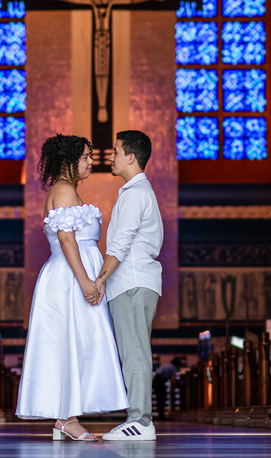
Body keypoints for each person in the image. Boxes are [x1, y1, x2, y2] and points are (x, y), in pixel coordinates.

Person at [15, 135, 128, 440]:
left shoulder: (70, 191)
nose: (92, 161)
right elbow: (66, 240)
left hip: (76, 276)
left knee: (78, 345)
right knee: (68, 344)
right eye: (86, 156)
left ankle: (66, 418)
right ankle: (66, 418)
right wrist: (85, 282)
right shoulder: (64, 191)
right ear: (69, 161)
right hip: (69, 279)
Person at [95, 130, 164, 442]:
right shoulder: (134, 190)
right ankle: (137, 418)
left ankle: (140, 421)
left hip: (133, 282)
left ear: (131, 157)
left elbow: (119, 245)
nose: (111, 156)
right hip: (132, 282)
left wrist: (98, 280)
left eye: (116, 151)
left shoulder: (135, 193)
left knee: (135, 352)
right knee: (132, 352)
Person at [152, 356, 183, 420]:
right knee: (162, 398)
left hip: (156, 380)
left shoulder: (167, 365)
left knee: (159, 398)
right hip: (159, 381)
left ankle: (160, 414)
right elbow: (173, 379)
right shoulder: (173, 368)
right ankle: (161, 415)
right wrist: (177, 386)